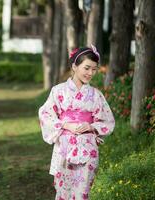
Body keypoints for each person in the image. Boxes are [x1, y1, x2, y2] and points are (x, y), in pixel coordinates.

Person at [38, 45, 115, 200]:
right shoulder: (58, 91)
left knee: (83, 193)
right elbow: (45, 114)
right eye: (87, 68)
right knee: (62, 191)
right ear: (74, 66)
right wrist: (65, 125)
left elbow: (108, 120)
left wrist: (91, 126)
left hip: (87, 148)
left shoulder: (96, 95)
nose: (90, 73)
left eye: (94, 69)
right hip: (64, 148)